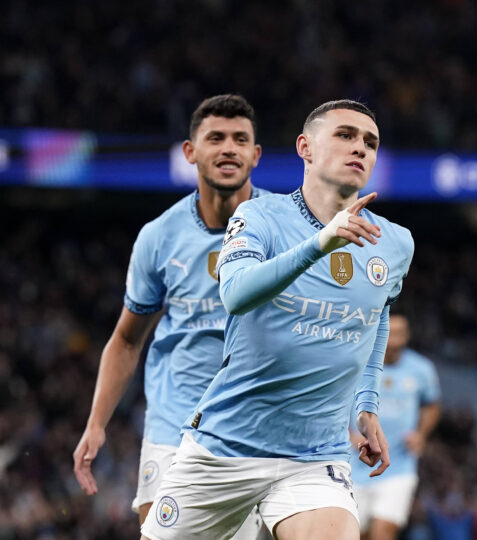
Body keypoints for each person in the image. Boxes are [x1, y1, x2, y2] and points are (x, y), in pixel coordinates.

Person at [140, 99, 414, 540]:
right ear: (306, 148)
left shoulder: (395, 243)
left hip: (315, 456)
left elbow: (376, 316)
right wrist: (320, 244)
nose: (360, 148)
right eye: (345, 135)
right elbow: (235, 293)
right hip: (226, 447)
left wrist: (366, 405)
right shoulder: (259, 217)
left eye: (370, 142)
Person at [72, 94, 267, 535]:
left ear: (256, 155)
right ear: (190, 152)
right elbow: (126, 340)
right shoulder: (159, 236)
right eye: (216, 138)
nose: (229, 149)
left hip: (258, 428)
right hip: (174, 427)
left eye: (240, 139)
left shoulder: (284, 226)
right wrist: (96, 423)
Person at [350, 313, 441, 540]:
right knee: (355, 533)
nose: (393, 340)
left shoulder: (421, 369)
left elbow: (432, 405)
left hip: (399, 466)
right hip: (354, 464)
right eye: (388, 333)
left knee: (384, 531)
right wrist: (347, 433)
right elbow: (335, 399)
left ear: (407, 336)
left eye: (399, 334)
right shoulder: (359, 361)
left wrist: (421, 434)